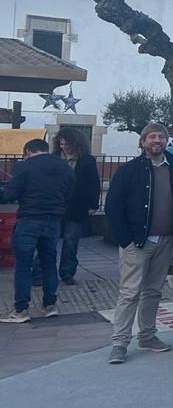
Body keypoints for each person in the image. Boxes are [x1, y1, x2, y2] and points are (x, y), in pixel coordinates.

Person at [103, 123, 173, 364]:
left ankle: (147, 336)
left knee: (154, 291)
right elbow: (113, 206)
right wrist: (125, 240)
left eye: (161, 136)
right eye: (152, 137)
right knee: (130, 293)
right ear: (143, 142)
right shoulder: (129, 170)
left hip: (166, 240)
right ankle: (119, 343)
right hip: (137, 242)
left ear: (166, 141)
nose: (156, 140)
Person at [0, 140, 74, 324]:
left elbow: (10, 194)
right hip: (53, 221)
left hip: (29, 220)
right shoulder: (64, 167)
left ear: (27, 151)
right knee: (49, 263)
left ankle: (21, 310)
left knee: (23, 266)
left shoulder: (25, 166)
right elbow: (70, 193)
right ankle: (50, 305)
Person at [52, 128, 101, 286]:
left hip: (76, 206)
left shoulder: (86, 160)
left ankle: (67, 273)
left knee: (71, 241)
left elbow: (94, 183)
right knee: (49, 240)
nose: (64, 147)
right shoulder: (54, 158)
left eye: (67, 144)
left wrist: (93, 205)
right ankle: (42, 272)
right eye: (61, 144)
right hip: (55, 205)